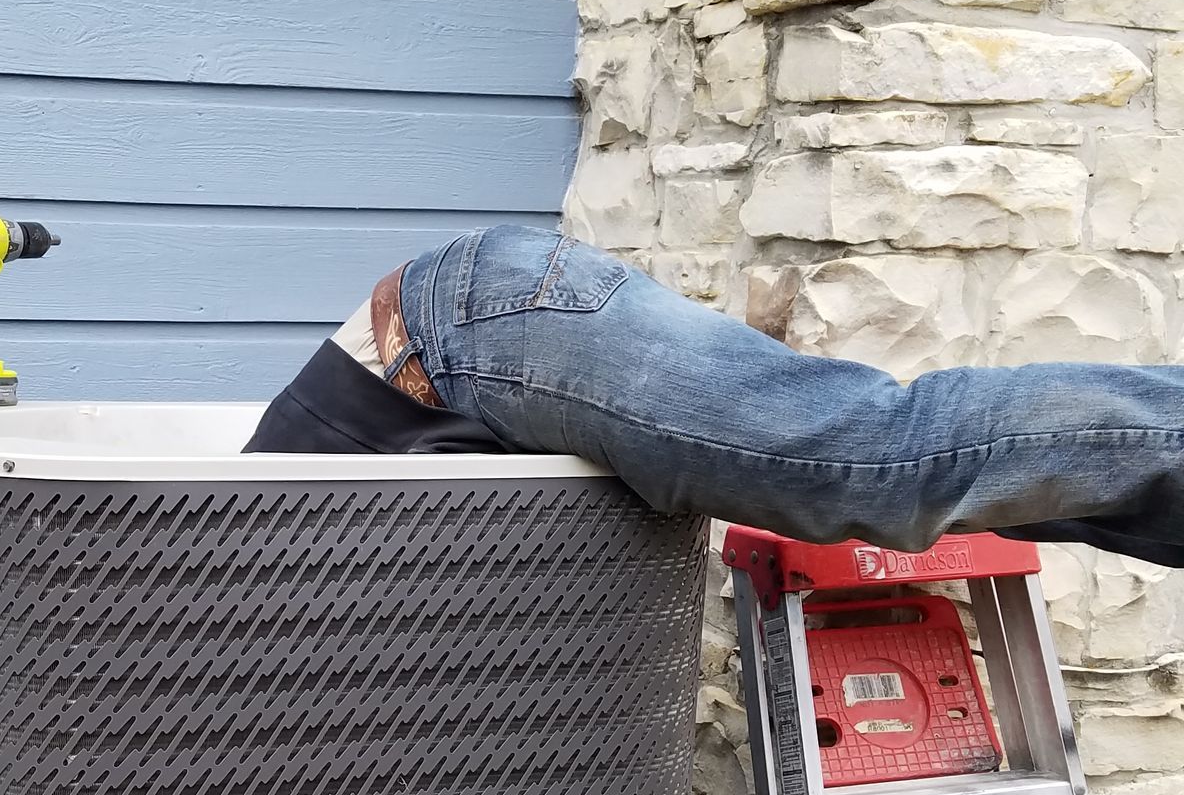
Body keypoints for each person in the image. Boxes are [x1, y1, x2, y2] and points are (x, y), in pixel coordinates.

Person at [247, 224, 1184, 568]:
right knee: (946, 488)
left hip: (462, 331)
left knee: (874, 461)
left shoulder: (220, 593)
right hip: (474, 341)